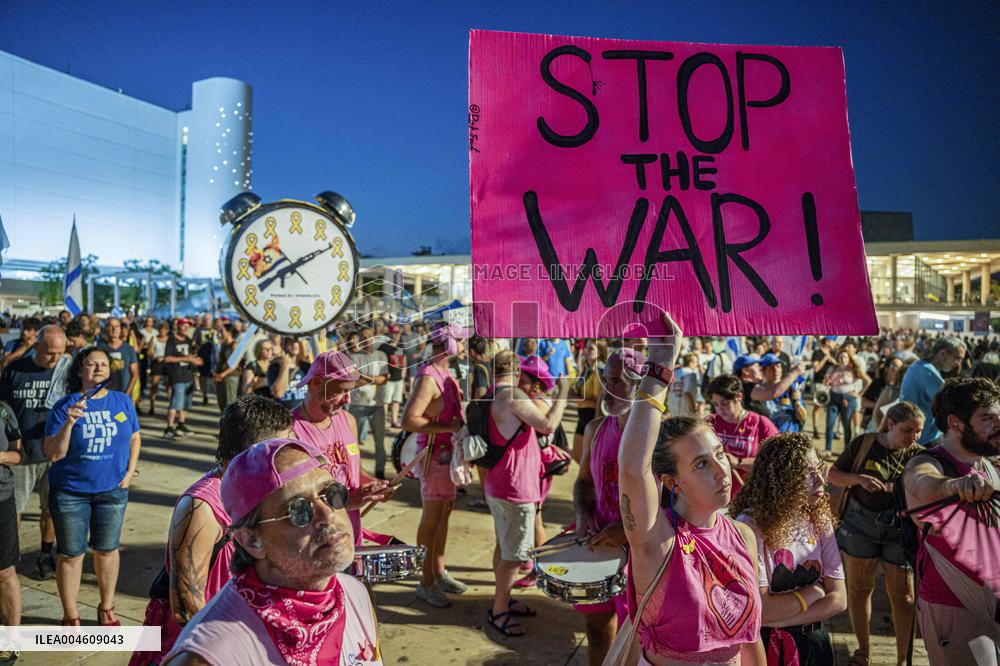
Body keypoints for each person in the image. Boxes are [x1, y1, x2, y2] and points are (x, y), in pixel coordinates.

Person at [618, 313, 765, 665]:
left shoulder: (743, 535)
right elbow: (632, 470)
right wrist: (660, 367)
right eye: (700, 464)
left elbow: (750, 638)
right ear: (671, 482)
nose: (721, 470)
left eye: (719, 455)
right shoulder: (657, 543)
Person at [162, 439, 381, 665]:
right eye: (298, 510)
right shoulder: (210, 656)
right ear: (252, 540)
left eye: (331, 494)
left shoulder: (355, 594)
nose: (328, 516)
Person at [129, 394, 295, 666]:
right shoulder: (202, 506)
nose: (291, 452)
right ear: (255, 449)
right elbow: (186, 606)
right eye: (283, 446)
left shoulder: (258, 490)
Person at [902, 377, 1000, 665]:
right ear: (956, 423)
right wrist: (954, 486)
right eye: (987, 418)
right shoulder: (927, 463)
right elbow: (922, 484)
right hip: (954, 607)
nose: (998, 424)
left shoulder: (987, 464)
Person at [43, 347, 141, 626]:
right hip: (70, 492)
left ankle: (106, 608)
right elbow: (53, 453)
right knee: (71, 555)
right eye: (91, 364)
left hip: (112, 490)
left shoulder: (122, 401)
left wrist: (130, 471)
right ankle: (70, 615)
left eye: (103, 364)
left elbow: (135, 437)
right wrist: (69, 423)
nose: (98, 368)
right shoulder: (64, 406)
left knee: (107, 550)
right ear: (79, 370)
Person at [730, 433, 847, 664]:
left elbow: (839, 599)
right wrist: (813, 593)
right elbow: (762, 609)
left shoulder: (819, 519)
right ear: (781, 477)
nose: (820, 481)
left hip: (815, 643)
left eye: (818, 469)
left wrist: (780, 617)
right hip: (767, 646)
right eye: (807, 473)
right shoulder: (751, 526)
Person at [828, 401, 924, 666]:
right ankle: (863, 651)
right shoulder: (865, 443)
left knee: (904, 597)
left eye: (918, 431)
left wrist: (901, 489)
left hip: (898, 529)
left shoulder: (920, 455)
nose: (914, 437)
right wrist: (858, 479)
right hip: (859, 525)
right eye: (907, 430)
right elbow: (834, 475)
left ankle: (903, 659)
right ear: (890, 424)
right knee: (859, 589)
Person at [484, 351, 568, 636]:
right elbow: (547, 425)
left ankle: (502, 600)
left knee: (503, 546)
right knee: (514, 556)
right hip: (515, 486)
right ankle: (499, 611)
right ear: (517, 370)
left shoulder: (492, 391)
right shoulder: (511, 395)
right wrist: (563, 396)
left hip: (499, 481)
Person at [573, 348, 643, 664]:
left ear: (639, 385)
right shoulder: (596, 428)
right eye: (604, 379)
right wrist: (582, 512)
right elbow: (585, 482)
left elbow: (678, 505)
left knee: (637, 639)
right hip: (599, 546)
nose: (606, 388)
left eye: (615, 380)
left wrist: (629, 531)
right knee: (597, 627)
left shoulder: (661, 435)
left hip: (643, 557)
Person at [292, 350, 393, 544]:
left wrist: (376, 487)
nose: (348, 400)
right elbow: (295, 499)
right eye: (340, 391)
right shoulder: (291, 431)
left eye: (350, 391)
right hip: (315, 543)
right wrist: (348, 501)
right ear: (316, 383)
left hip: (350, 533)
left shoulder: (348, 420)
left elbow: (353, 470)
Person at [401, 323, 467, 608]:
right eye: (460, 341)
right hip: (434, 457)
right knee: (431, 521)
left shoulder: (444, 372)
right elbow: (409, 419)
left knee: (444, 515)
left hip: (446, 457)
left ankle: (438, 571)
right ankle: (425, 582)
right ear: (449, 345)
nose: (464, 346)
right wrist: (447, 426)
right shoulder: (429, 377)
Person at [0, 324, 68, 580]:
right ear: (36, 346)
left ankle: (44, 555)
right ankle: (10, 559)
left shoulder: (65, 370)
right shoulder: (15, 370)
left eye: (60, 353)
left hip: (53, 455)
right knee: (14, 509)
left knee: (49, 509)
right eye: (50, 352)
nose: (55, 358)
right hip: (20, 453)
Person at [705, 374, 779, 494]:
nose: (719, 409)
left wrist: (739, 462)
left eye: (724, 403)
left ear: (738, 397)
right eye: (715, 404)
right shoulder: (709, 423)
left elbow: (777, 461)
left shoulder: (760, 423)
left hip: (749, 497)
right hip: (716, 497)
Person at [899, 336, 966, 446]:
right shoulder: (928, 373)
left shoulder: (918, 366)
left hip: (916, 436)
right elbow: (951, 404)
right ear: (943, 353)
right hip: (923, 440)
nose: (958, 364)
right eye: (957, 358)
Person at [347, 328, 389, 474]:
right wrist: (373, 379)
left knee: (380, 442)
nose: (367, 340)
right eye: (363, 337)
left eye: (369, 336)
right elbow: (354, 380)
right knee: (353, 443)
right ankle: (356, 472)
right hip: (357, 405)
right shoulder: (353, 357)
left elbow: (384, 379)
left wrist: (365, 377)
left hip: (377, 405)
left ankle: (380, 472)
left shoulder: (381, 355)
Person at [0, 398, 21, 665]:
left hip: (1, 499)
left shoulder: (3, 410)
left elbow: (18, 454)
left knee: (4, 572)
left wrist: (1, 456)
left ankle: (10, 642)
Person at [163, 319, 202, 439]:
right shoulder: (172, 340)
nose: (186, 328)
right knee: (175, 403)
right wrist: (185, 359)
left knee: (186, 403)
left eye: (187, 327)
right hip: (177, 376)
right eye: (183, 326)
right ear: (178, 327)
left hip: (188, 375)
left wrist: (196, 361)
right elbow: (167, 359)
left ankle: (181, 424)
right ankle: (169, 428)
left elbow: (191, 357)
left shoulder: (189, 341)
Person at [824, 350, 867, 455]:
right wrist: (827, 381)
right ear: (838, 358)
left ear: (849, 359)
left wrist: (859, 394)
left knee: (846, 424)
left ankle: (846, 450)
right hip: (834, 397)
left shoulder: (853, 370)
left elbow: (867, 381)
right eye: (841, 357)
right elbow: (825, 382)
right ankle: (828, 449)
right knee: (830, 423)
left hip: (848, 398)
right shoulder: (833, 368)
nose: (843, 360)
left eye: (846, 358)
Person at [571, 340, 606, 463]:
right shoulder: (588, 369)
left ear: (599, 353)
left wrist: (580, 400)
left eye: (591, 349)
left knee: (588, 461)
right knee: (578, 457)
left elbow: (599, 402)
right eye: (586, 348)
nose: (586, 351)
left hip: (592, 418)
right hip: (583, 417)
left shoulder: (600, 372)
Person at [758, 353, 807, 433]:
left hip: (788, 439)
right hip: (768, 439)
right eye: (771, 368)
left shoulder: (791, 388)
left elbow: (802, 417)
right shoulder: (759, 391)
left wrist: (796, 401)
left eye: (778, 366)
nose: (776, 370)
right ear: (764, 371)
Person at [97, 317, 139, 396]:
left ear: (120, 329)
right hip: (106, 394)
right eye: (111, 326)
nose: (114, 329)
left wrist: (127, 394)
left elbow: (134, 374)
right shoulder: (100, 348)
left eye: (117, 326)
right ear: (106, 328)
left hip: (124, 393)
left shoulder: (129, 349)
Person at [267, 336, 310, 410]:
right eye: (290, 342)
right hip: (285, 414)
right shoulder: (275, 366)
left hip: (304, 414)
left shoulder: (306, 366)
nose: (294, 345)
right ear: (283, 345)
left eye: (296, 341)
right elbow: (278, 393)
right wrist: (285, 367)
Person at [378, 325, 407, 429]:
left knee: (396, 401)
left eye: (397, 333)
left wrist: (403, 374)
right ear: (389, 334)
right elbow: (379, 361)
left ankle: (394, 421)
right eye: (393, 333)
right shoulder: (384, 347)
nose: (395, 335)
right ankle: (384, 421)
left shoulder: (401, 345)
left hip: (399, 379)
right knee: (386, 401)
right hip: (388, 379)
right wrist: (383, 372)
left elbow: (404, 360)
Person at [211, 322, 241, 413]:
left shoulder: (234, 345)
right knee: (221, 402)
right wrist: (217, 374)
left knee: (229, 402)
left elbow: (235, 364)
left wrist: (222, 374)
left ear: (229, 332)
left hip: (230, 377)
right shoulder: (223, 345)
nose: (220, 332)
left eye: (222, 330)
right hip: (221, 376)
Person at [666, 352, 700, 417]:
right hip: (684, 407)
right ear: (691, 363)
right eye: (696, 362)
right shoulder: (691, 374)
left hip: (672, 404)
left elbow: (669, 389)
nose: (697, 364)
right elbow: (687, 393)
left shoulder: (675, 372)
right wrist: (693, 410)